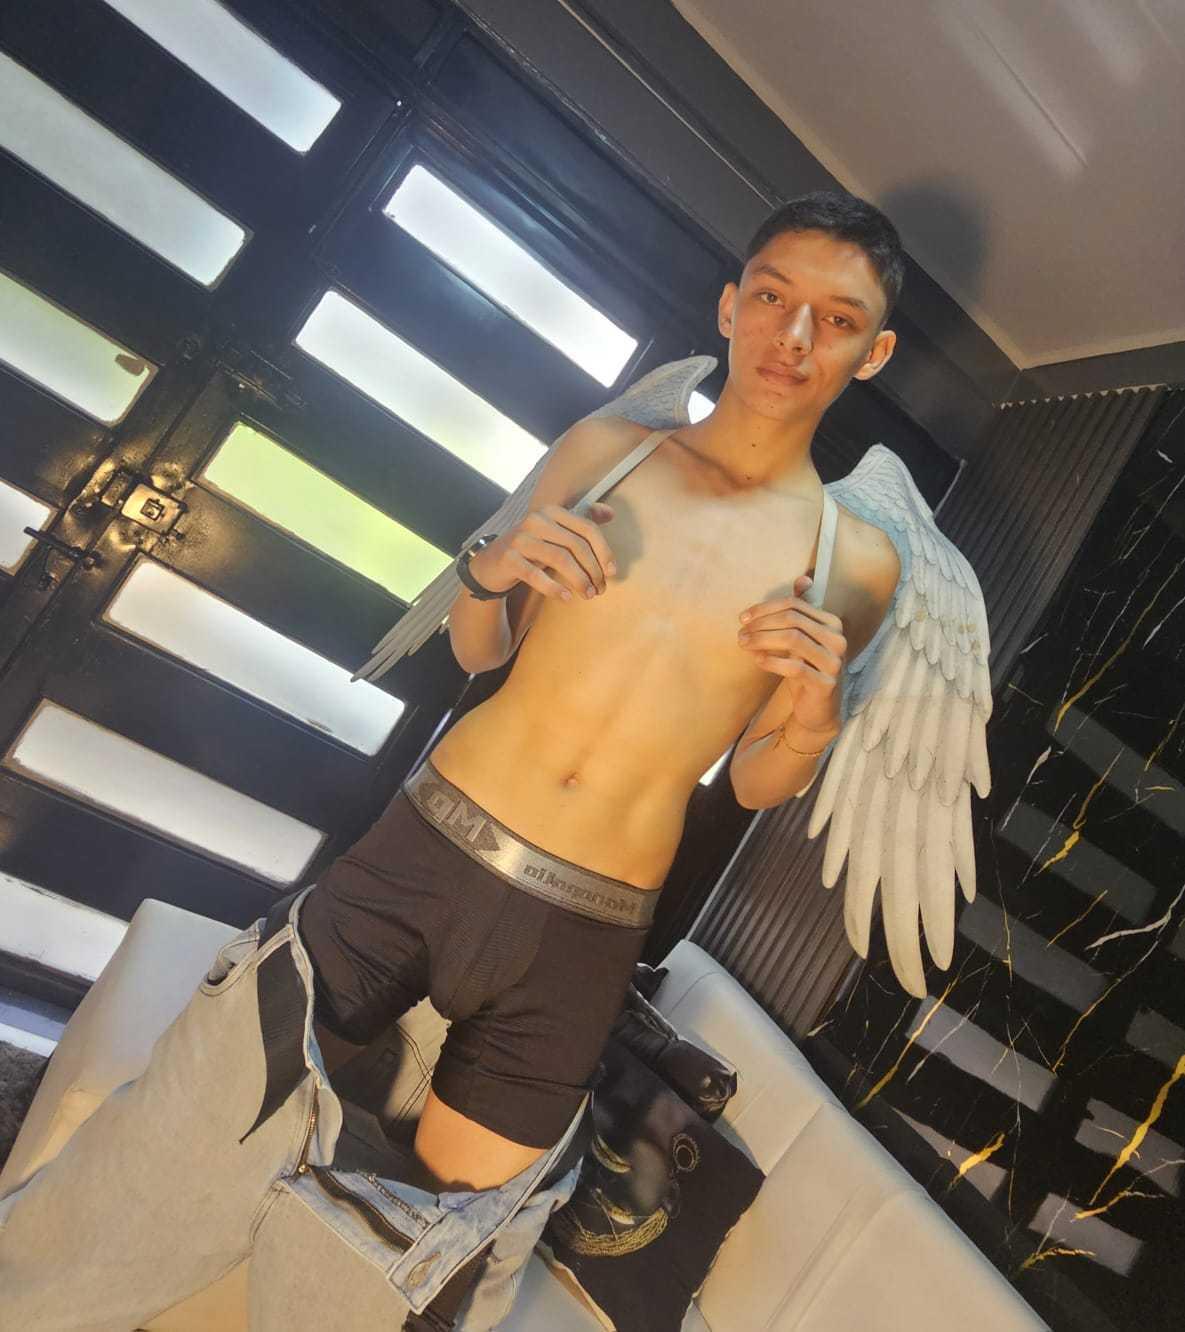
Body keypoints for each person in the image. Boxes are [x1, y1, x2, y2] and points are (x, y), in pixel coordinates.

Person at [0, 190, 905, 1330]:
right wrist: (492, 567)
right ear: (730, 307)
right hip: (424, 851)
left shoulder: (855, 563)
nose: (794, 335)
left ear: (871, 353)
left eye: (836, 318)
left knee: (407, 1269)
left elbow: (758, 780)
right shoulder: (611, 451)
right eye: (773, 298)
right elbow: (483, 648)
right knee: (174, 1147)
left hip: (586, 931)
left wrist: (814, 710)